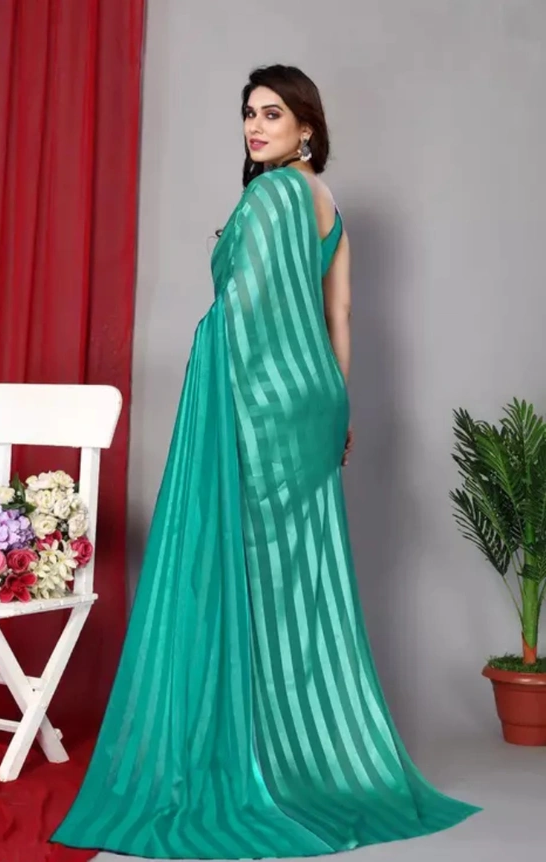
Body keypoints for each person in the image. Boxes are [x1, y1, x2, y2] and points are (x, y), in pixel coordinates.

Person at [51, 64, 480, 859]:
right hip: (315, 398)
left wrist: (217, 331)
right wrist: (340, 403)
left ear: (306, 127)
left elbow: (243, 310)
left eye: (272, 113)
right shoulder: (328, 206)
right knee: (296, 582)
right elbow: (338, 314)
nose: (255, 126)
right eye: (249, 113)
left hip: (259, 397)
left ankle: (251, 760)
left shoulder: (270, 196)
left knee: (238, 572)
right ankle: (308, 751)